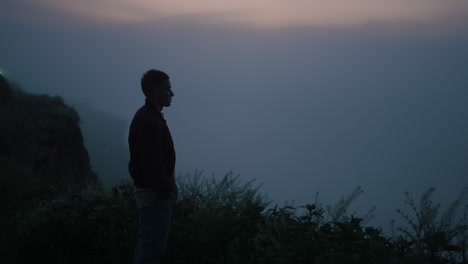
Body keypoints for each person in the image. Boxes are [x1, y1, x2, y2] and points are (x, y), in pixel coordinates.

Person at [128, 69, 177, 264]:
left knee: (148, 247)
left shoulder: (148, 117)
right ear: (155, 91)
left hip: (152, 194)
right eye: (168, 89)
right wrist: (166, 191)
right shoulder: (149, 121)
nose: (172, 94)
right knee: (151, 251)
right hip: (154, 197)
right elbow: (151, 163)